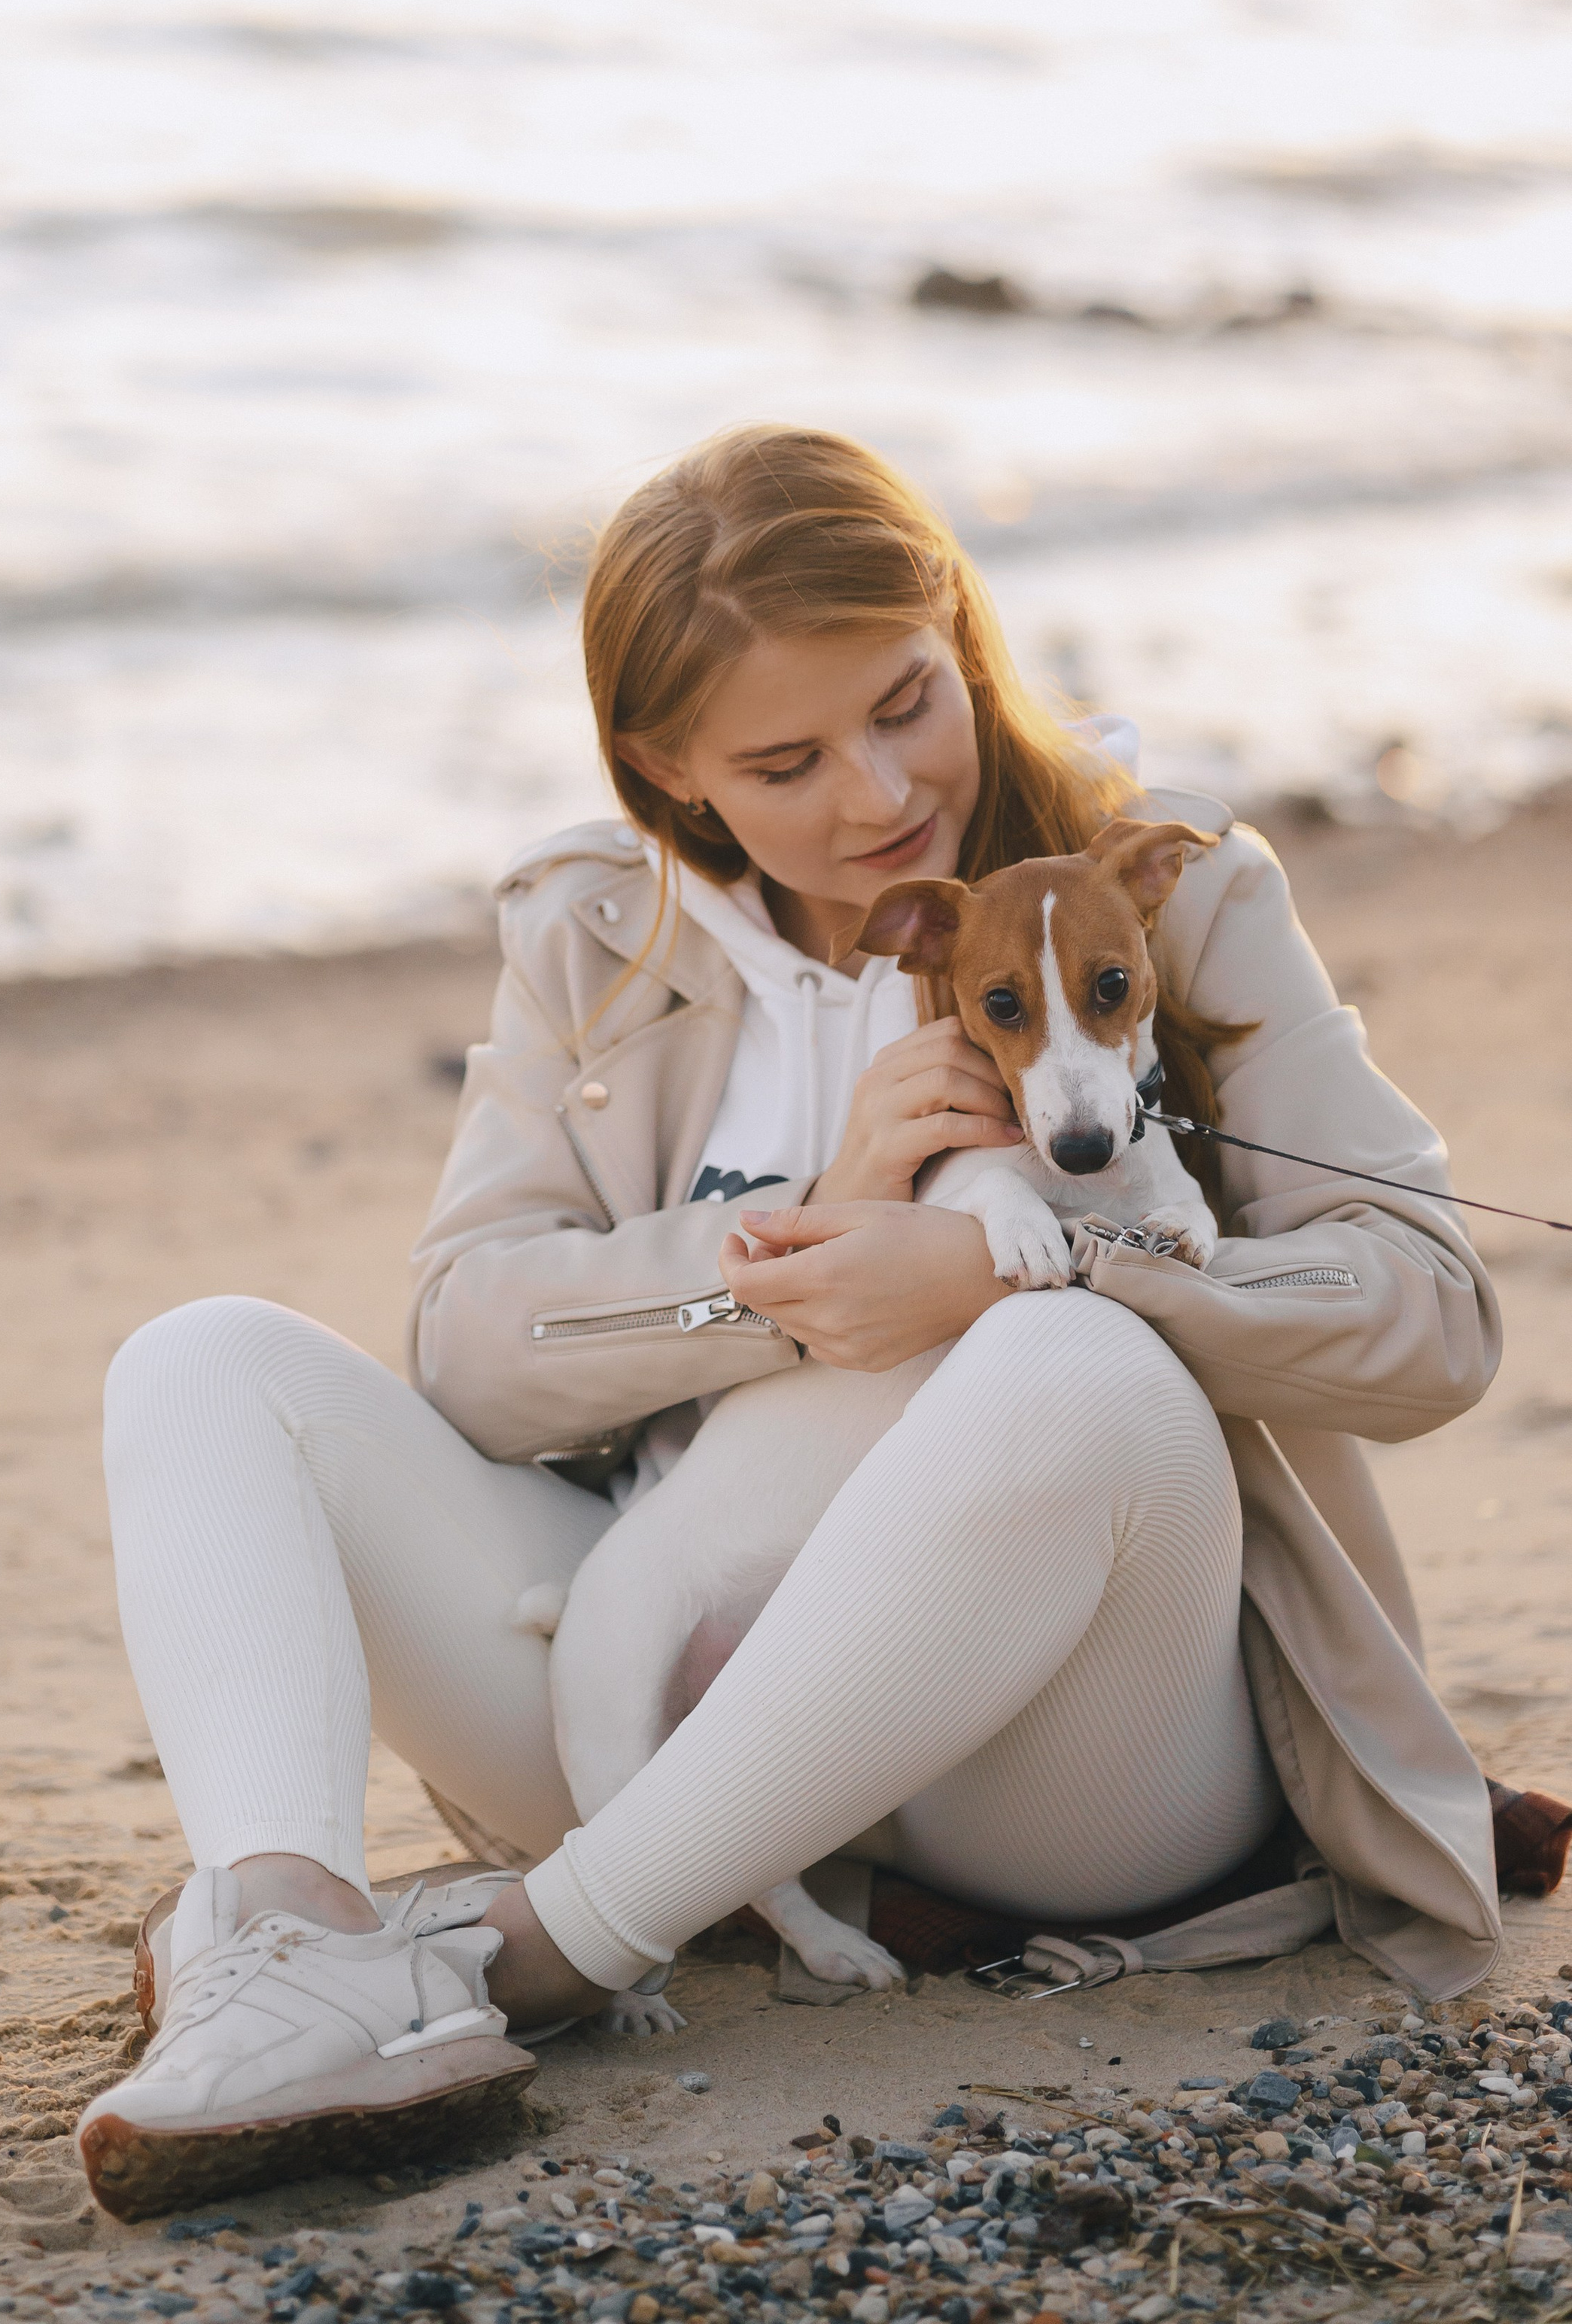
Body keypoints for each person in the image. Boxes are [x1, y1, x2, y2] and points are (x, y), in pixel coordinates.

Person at [77, 426, 1501, 2215]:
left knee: (1054, 1358)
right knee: (201, 1359)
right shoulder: (590, 943)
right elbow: (469, 1348)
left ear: (954, 630)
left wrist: (1015, 1267)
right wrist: (789, 1266)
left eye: (907, 700)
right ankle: (282, 1946)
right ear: (665, 770)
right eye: (783, 756)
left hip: (1073, 1760)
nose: (876, 790)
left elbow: (1431, 1315)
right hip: (661, 1699)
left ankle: (531, 1955)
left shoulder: (1166, 894)